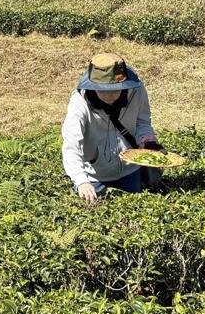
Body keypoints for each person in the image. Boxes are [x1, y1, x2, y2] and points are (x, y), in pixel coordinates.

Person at [61, 53, 166, 203]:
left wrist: (148, 141)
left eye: (115, 89)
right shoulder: (80, 103)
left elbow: (142, 122)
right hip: (94, 176)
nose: (109, 95)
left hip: (130, 170)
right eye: (103, 90)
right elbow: (72, 146)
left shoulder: (136, 91)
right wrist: (81, 181)